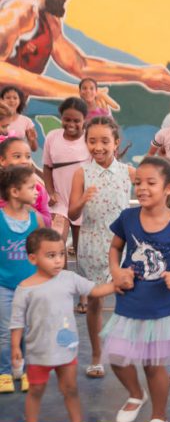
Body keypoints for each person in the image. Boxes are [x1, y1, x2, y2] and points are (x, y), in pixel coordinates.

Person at [102, 156, 170, 422]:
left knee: (154, 364)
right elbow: (115, 248)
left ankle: (160, 417)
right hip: (131, 300)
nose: (141, 188)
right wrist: (115, 272)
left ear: (168, 188)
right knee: (118, 356)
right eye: (138, 183)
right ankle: (136, 394)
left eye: (150, 183)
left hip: (163, 306)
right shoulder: (128, 218)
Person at [0, 0, 170, 106]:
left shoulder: (47, 20)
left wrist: (142, 74)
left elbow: (80, 65)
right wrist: (77, 92)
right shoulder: (21, 9)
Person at [10, 228, 114, 422]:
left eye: (61, 254)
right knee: (35, 391)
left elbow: (95, 290)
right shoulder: (25, 289)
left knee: (71, 389)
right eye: (51, 256)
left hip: (66, 350)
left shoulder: (69, 279)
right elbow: (17, 321)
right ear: (32, 258)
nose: (58, 261)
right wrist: (15, 347)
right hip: (38, 352)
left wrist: (117, 284)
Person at [68, 117, 133, 378]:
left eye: (104, 141)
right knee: (94, 301)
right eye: (92, 141)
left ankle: (124, 350)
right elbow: (73, 213)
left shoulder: (129, 172)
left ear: (116, 143)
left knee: (127, 301)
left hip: (123, 246)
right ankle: (96, 356)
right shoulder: (81, 173)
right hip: (92, 245)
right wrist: (82, 199)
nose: (98, 146)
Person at [0, 165, 44, 394]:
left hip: (29, 288)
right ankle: (5, 372)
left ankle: (24, 369)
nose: (38, 191)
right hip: (4, 287)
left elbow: (43, 254)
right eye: (32, 187)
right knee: (5, 331)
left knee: (28, 330)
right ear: (15, 191)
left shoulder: (36, 220)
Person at [41, 97, 90, 303]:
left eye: (76, 121)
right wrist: (50, 191)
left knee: (82, 250)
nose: (71, 124)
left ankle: (84, 296)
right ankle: (61, 291)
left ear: (84, 120)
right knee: (56, 244)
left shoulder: (89, 138)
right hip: (59, 202)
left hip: (82, 203)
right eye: (66, 119)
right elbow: (47, 167)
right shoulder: (52, 137)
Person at [0, 137, 50, 227]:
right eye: (17, 156)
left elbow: (47, 223)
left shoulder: (37, 188)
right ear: (2, 160)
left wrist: (27, 207)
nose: (24, 161)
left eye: (28, 157)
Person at [0, 86, 38, 151]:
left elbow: (34, 149)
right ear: (1, 100)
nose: (11, 100)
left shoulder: (26, 121)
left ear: (20, 101)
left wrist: (32, 140)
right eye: (8, 98)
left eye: (15, 98)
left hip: (18, 158)